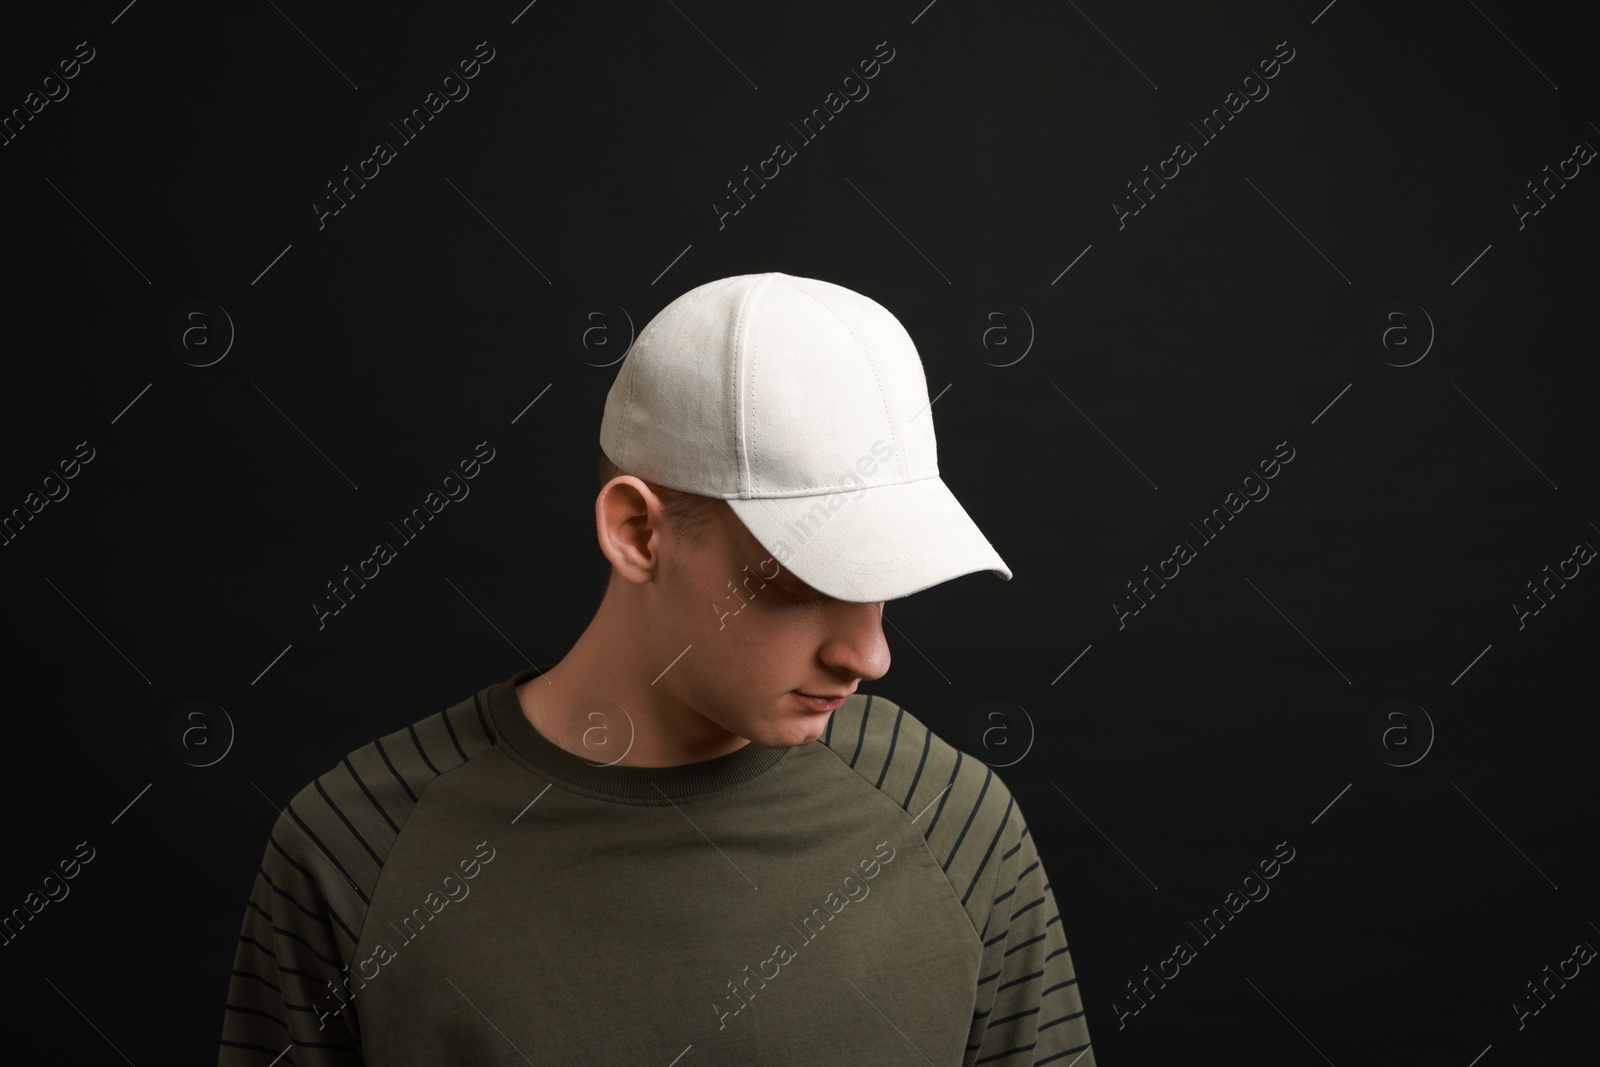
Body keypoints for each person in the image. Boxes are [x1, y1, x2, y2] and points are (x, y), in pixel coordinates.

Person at [217, 272, 1096, 1066]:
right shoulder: (351, 854)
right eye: (805, 580)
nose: (869, 654)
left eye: (884, 580)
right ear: (638, 532)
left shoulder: (960, 831)